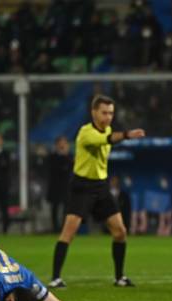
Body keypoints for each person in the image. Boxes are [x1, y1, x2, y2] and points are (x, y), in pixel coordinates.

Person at [49, 95, 145, 288]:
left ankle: (119, 278)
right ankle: (55, 278)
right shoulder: (86, 132)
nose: (108, 117)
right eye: (104, 112)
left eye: (111, 113)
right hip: (82, 186)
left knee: (120, 232)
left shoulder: (107, 128)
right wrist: (126, 135)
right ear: (94, 113)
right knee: (69, 232)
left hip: (101, 186)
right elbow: (107, 139)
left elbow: (108, 137)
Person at [47, 136, 73, 232]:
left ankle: (64, 228)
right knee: (55, 208)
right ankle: (55, 228)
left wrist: (65, 156)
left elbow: (71, 169)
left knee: (66, 209)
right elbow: (53, 170)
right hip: (55, 187)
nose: (62, 145)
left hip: (66, 187)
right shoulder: (52, 157)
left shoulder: (70, 156)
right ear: (57, 145)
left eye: (64, 143)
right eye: (60, 143)